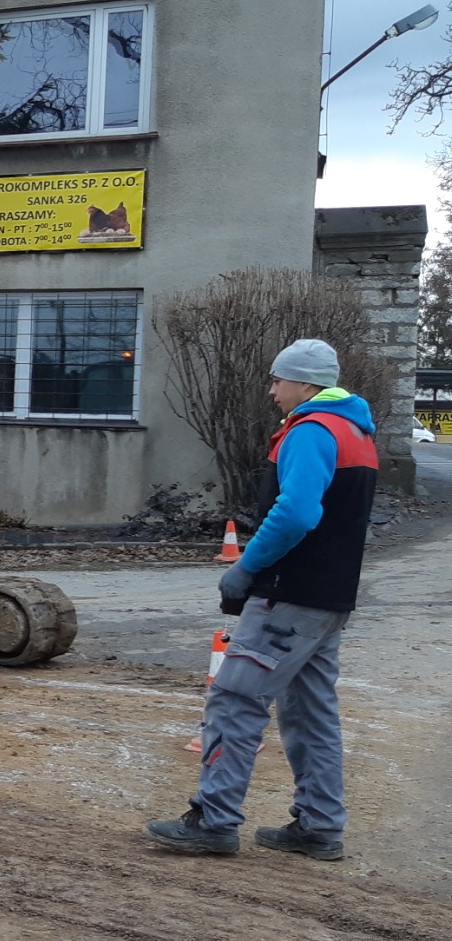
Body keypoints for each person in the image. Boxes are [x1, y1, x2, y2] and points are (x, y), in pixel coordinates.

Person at [147, 339, 378, 861]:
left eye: (278, 380)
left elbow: (297, 513)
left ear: (304, 384)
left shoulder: (311, 430)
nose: (272, 391)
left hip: (287, 598)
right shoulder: (355, 432)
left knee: (234, 701)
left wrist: (247, 565)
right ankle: (320, 826)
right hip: (328, 599)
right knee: (311, 713)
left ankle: (213, 818)